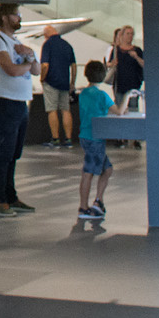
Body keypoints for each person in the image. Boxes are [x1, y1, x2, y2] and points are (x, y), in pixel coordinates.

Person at [0, 3, 38, 217]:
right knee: (5, 152)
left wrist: (31, 54)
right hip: (6, 102)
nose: (19, 18)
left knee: (14, 153)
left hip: (21, 102)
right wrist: (27, 63)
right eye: (16, 15)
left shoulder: (16, 42)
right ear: (5, 17)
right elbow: (11, 69)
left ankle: (11, 196)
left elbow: (37, 70)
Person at [77, 60, 115, 219]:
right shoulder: (102, 95)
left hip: (86, 136)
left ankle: (98, 201)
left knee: (107, 169)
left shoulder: (83, 94)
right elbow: (118, 110)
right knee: (88, 173)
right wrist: (127, 96)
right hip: (95, 139)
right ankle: (83, 207)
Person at [38, 24, 77, 148]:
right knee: (66, 110)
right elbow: (74, 66)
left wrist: (42, 78)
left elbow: (45, 65)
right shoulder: (67, 45)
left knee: (52, 110)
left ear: (46, 35)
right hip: (65, 82)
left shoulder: (47, 45)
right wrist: (72, 82)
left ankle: (55, 139)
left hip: (51, 81)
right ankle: (69, 139)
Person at [112, 25, 144, 114]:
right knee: (119, 109)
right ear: (122, 35)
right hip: (120, 85)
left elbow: (144, 64)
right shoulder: (116, 50)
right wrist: (111, 64)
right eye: (128, 34)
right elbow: (110, 64)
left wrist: (136, 57)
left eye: (131, 34)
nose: (130, 36)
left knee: (133, 110)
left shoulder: (137, 50)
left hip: (133, 85)